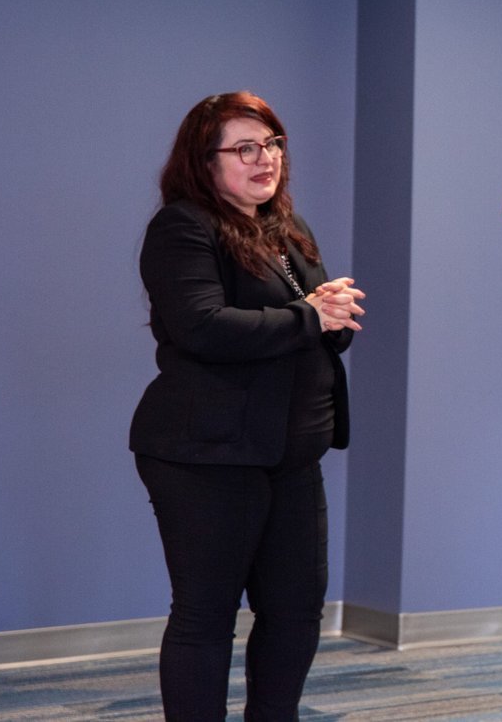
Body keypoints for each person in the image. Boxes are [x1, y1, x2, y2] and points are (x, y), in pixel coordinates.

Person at [129, 91, 366, 722]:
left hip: (292, 453)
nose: (266, 159)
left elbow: (315, 326)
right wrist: (310, 316)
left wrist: (333, 315)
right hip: (207, 455)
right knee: (206, 616)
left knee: (296, 610)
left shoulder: (287, 226)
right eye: (245, 149)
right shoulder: (183, 227)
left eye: (273, 144)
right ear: (204, 162)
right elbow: (203, 327)